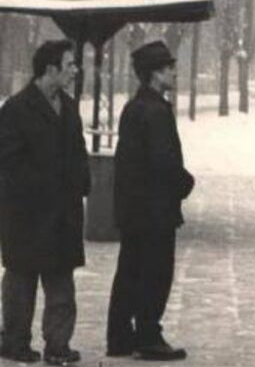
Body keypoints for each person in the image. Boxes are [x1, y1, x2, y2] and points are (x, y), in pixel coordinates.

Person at [0, 40, 89, 365]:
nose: (74, 71)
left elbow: (78, 152)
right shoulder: (16, 109)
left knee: (61, 282)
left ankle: (58, 345)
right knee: (21, 281)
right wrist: (45, 186)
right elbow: (8, 161)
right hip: (27, 213)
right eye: (69, 65)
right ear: (50, 69)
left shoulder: (69, 106)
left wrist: (82, 182)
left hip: (63, 213)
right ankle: (14, 342)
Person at [106, 41, 194, 361]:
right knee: (156, 273)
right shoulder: (156, 111)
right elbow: (163, 162)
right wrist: (186, 183)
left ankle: (118, 336)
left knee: (129, 270)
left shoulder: (133, 107)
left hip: (133, 208)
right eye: (169, 67)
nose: (174, 72)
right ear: (155, 74)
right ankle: (148, 335)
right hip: (155, 210)